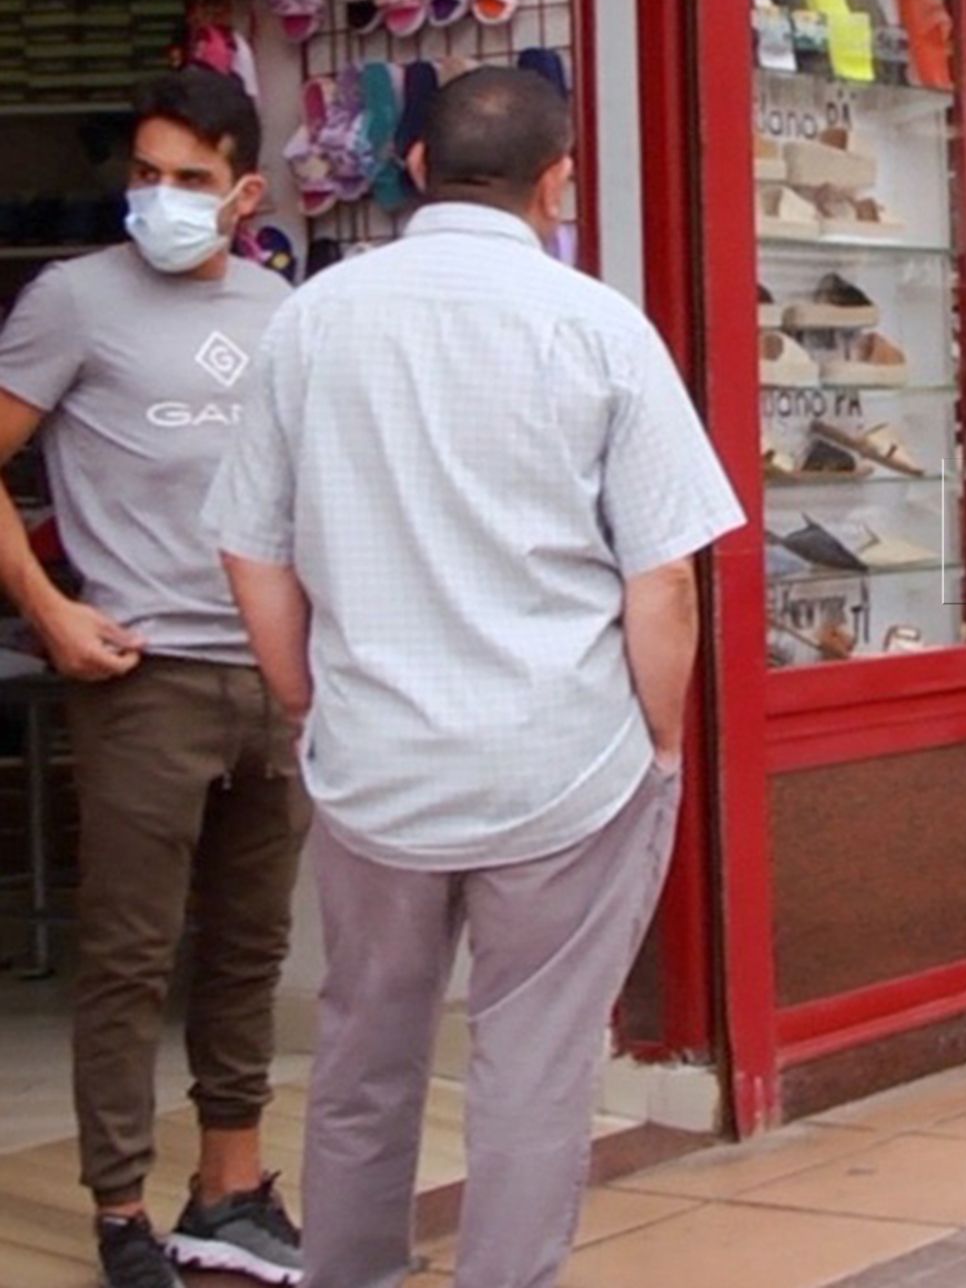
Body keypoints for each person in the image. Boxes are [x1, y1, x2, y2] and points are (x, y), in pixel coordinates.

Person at [204, 68, 744, 1288]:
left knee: (361, 1056)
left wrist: (306, 700)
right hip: (563, 765)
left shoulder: (313, 318)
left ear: (411, 170)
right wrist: (658, 744)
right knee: (532, 1073)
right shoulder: (597, 325)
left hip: (375, 762)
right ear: (559, 182)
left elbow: (251, 547)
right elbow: (664, 579)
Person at [0, 70, 308, 1288]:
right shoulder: (72, 302)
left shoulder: (286, 309)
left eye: (190, 179)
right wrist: (50, 608)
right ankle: (121, 1209)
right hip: (141, 675)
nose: (162, 199)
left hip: (271, 680)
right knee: (128, 956)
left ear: (244, 191)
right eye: (145, 174)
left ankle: (229, 1190)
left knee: (247, 950)